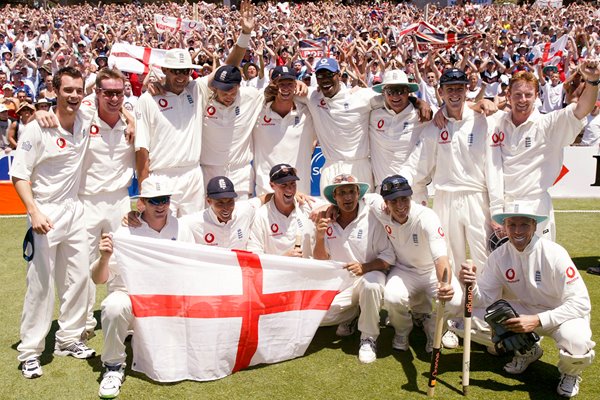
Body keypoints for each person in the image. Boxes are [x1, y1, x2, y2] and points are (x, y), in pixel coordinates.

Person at [459, 200, 595, 398]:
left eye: (524, 224)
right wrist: (470, 285)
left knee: (577, 341)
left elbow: (581, 303)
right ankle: (527, 350)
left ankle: (570, 373)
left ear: (534, 225)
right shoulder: (499, 256)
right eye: (512, 225)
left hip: (562, 314)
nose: (517, 231)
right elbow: (484, 299)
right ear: (505, 227)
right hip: (526, 310)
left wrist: (538, 320)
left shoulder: (555, 254)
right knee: (464, 321)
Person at [11, 67, 96, 379]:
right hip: (45, 212)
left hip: (75, 209)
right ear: (55, 91)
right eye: (67, 90)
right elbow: (20, 174)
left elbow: (115, 105)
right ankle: (30, 351)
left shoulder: (86, 119)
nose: (73, 95)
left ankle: (68, 338)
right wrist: (33, 211)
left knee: (79, 278)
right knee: (41, 285)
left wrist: (128, 120)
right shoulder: (38, 127)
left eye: (77, 90)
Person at [135, 0, 255, 214]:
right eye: (175, 71)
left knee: (192, 236)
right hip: (162, 175)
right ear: (165, 70)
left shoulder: (195, 89)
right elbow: (141, 149)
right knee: (163, 237)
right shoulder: (148, 99)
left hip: (193, 175)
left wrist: (244, 35)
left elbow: (227, 69)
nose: (181, 77)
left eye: (185, 71)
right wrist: (144, 190)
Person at [91, 176, 195, 399]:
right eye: (154, 200)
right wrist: (104, 258)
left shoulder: (181, 227)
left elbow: (192, 266)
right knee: (113, 306)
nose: (161, 206)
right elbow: (98, 279)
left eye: (164, 199)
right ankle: (113, 366)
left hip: (166, 299)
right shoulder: (125, 232)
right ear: (142, 203)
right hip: (132, 297)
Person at [400, 68, 504, 278]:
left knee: (483, 257)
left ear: (467, 90)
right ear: (441, 92)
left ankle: (485, 306)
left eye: (459, 88)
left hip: (477, 197)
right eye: (449, 89)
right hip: (445, 197)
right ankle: (453, 307)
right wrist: (396, 186)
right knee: (447, 255)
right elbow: (416, 164)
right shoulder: (435, 127)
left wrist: (497, 209)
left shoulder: (483, 120)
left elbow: (494, 168)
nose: (454, 93)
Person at [488, 59, 600, 240]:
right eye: (517, 94)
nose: (522, 100)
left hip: (536, 206)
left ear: (537, 96)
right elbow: (464, 109)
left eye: (527, 94)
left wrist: (593, 81)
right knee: (505, 268)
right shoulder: (497, 122)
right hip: (504, 208)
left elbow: (581, 109)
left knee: (540, 266)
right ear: (508, 95)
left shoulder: (548, 124)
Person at [363, 175, 461, 353]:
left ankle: (433, 330)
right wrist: (328, 206)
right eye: (394, 201)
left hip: (431, 270)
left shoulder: (426, 217)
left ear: (410, 197)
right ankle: (402, 331)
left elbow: (440, 257)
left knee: (454, 300)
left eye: (404, 199)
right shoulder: (379, 207)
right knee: (392, 298)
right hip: (404, 270)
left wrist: (445, 284)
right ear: (385, 202)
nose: (400, 206)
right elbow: (365, 196)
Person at [313, 173, 395, 364]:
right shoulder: (328, 220)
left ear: (359, 194)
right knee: (322, 316)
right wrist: (319, 237)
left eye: (351, 191)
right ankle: (354, 314)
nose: (347, 197)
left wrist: (365, 267)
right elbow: (320, 259)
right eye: (342, 193)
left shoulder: (372, 218)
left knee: (371, 286)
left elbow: (389, 256)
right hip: (341, 282)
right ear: (335, 197)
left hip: (370, 274)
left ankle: (368, 337)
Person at [79, 68, 135, 340]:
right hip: (87, 200)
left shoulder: (131, 121)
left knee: (122, 262)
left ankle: (122, 317)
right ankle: (84, 324)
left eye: (119, 92)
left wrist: (130, 116)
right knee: (83, 264)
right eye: (108, 92)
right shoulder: (83, 117)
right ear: (97, 93)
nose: (114, 98)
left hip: (120, 199)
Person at [252, 65, 315, 195]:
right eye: (281, 84)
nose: (285, 88)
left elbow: (324, 95)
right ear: (272, 85)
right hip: (266, 190)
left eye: (290, 84)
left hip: (300, 191)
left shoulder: (307, 112)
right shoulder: (257, 110)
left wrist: (303, 86)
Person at [369, 69, 428, 205]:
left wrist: (478, 104)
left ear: (408, 91)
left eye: (400, 91)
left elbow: (450, 110)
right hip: (383, 192)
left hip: (414, 191)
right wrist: (417, 100)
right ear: (383, 92)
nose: (395, 96)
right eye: (390, 91)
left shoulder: (423, 115)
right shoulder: (373, 115)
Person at [247, 164, 314, 257]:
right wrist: (285, 258)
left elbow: (335, 206)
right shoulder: (261, 215)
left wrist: (332, 208)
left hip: (305, 271)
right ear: (272, 185)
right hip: (275, 271)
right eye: (284, 185)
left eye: (293, 184)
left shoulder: (307, 207)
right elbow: (254, 256)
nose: (289, 189)